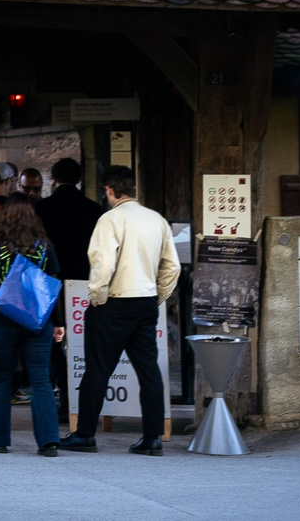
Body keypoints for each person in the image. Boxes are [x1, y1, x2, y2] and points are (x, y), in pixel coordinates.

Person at [56, 165, 181, 456]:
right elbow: (172, 266)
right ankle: (152, 439)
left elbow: (103, 264)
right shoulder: (157, 220)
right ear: (133, 190)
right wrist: (157, 295)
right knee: (148, 370)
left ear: (109, 190)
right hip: (146, 301)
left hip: (113, 301)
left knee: (98, 369)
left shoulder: (109, 220)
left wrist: (97, 297)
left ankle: (85, 434)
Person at [0, 192, 65, 456]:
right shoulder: (45, 246)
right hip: (38, 321)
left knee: (2, 380)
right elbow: (54, 287)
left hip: (4, 321)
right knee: (41, 379)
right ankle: (48, 441)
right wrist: (58, 323)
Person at [39, 157, 102, 286]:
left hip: (49, 274)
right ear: (79, 179)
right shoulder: (94, 209)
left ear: (54, 179)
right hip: (82, 273)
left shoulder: (41, 208)